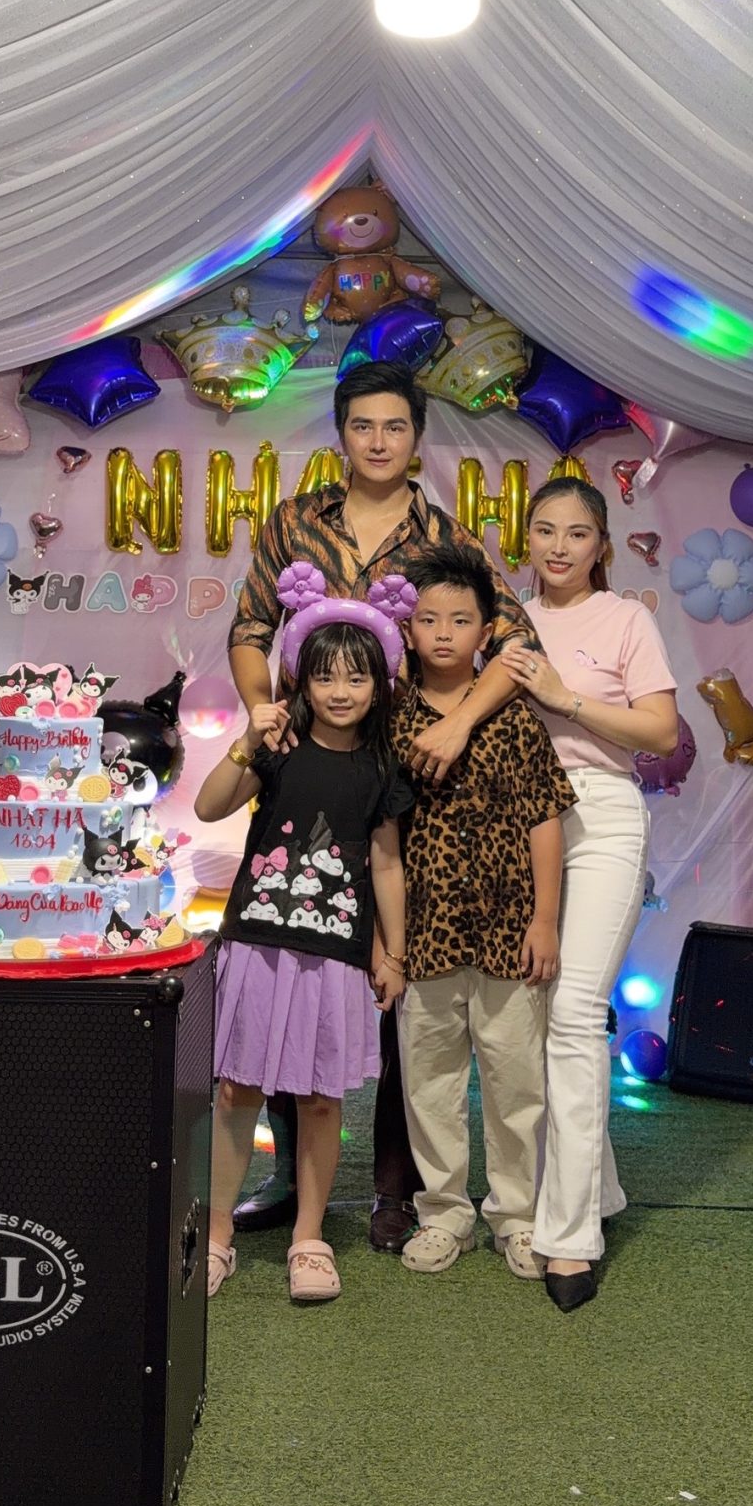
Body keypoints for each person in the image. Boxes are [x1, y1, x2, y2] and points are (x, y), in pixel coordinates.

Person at [227, 360, 537, 1251]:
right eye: (362, 425)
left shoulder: (444, 535)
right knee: (294, 952)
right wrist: (261, 710)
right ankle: (288, 1177)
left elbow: (515, 641)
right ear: (340, 434)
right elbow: (249, 629)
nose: (377, 441)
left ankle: (396, 1190)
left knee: (401, 976)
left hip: (408, 772)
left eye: (394, 427)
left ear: (416, 438)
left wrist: (457, 723)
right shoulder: (294, 521)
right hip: (305, 767)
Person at [199, 567, 414, 1305]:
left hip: (338, 957)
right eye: (325, 677)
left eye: (357, 676)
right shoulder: (277, 746)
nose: (340, 691)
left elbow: (386, 864)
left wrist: (393, 952)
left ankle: (309, 1239)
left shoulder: (382, 767)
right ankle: (216, 1234)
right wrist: (244, 741)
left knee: (322, 1099)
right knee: (237, 1091)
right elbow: (207, 808)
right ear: (302, 681)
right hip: (256, 946)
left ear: (380, 685)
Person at [500, 477, 679, 1312]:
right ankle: (594, 1188)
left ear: (601, 546)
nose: (559, 546)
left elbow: (661, 731)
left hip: (601, 813)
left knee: (574, 1014)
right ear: (525, 538)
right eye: (545, 530)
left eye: (577, 533)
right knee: (537, 1014)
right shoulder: (505, 619)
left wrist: (564, 697)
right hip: (514, 821)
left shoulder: (625, 620)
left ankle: (568, 1237)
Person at [392, 546, 575, 1279]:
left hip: (508, 934)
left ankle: (517, 1215)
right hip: (425, 937)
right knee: (429, 1083)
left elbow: (544, 819)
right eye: (427, 619)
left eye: (460, 620)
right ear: (405, 630)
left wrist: (544, 920)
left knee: (515, 1083)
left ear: (487, 631)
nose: (443, 633)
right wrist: (389, 943)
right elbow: (380, 839)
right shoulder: (390, 720)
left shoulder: (515, 720)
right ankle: (442, 1214)